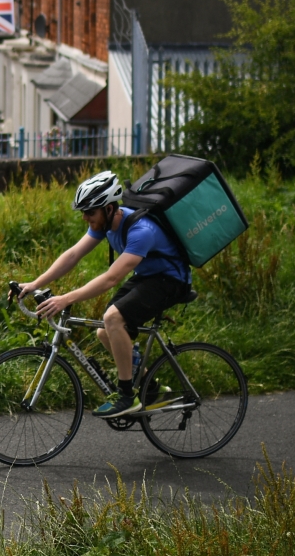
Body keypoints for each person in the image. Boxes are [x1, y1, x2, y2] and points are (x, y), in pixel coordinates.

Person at [18, 170, 193, 419]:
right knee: (104, 331)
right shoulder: (106, 224)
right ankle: (151, 390)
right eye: (83, 213)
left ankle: (126, 396)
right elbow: (73, 255)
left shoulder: (141, 231)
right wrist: (35, 283)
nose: (86, 218)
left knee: (113, 319)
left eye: (90, 212)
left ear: (109, 208)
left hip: (171, 282)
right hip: (148, 277)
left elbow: (111, 279)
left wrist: (66, 298)